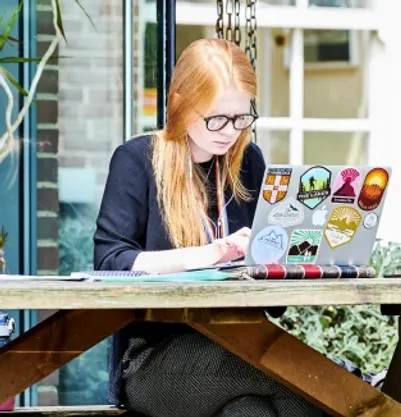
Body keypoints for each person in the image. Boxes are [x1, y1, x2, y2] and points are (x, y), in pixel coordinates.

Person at [92, 38, 322, 417]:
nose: (229, 131)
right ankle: (360, 391)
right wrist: (212, 254)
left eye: (240, 117)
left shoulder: (248, 161)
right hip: (156, 359)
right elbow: (110, 263)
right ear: (181, 103)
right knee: (308, 385)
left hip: (242, 338)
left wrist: (288, 254)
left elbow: (275, 301)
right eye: (216, 118)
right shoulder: (137, 160)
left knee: (252, 412)